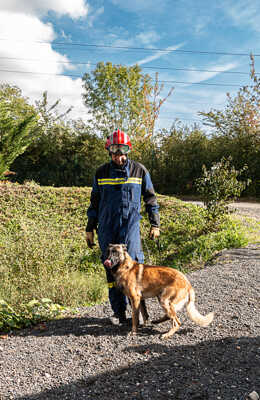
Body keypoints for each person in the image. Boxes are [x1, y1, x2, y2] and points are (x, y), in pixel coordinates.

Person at [86, 129, 160, 325]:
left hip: (130, 229)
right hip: (107, 229)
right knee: (112, 271)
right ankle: (119, 314)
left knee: (135, 270)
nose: (119, 155)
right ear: (109, 151)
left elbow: (151, 199)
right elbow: (94, 202)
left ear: (128, 150)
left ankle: (141, 315)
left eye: (123, 150)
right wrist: (89, 228)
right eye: (115, 150)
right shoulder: (101, 173)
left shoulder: (139, 170)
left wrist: (155, 224)